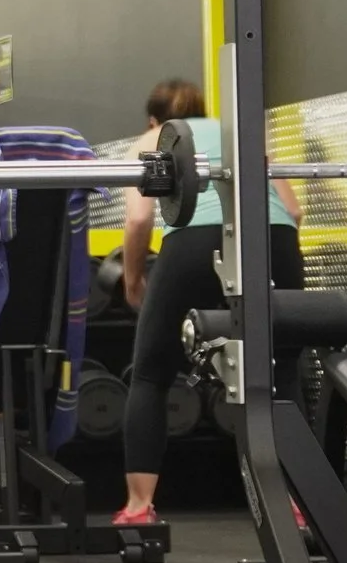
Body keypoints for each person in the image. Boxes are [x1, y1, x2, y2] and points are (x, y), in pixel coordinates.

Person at [116, 77, 303, 526]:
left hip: (194, 244)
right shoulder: (236, 131)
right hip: (273, 237)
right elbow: (293, 211)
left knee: (150, 374)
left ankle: (140, 508)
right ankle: (298, 505)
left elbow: (140, 217)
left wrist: (132, 280)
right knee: (285, 371)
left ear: (154, 119)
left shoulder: (154, 138)